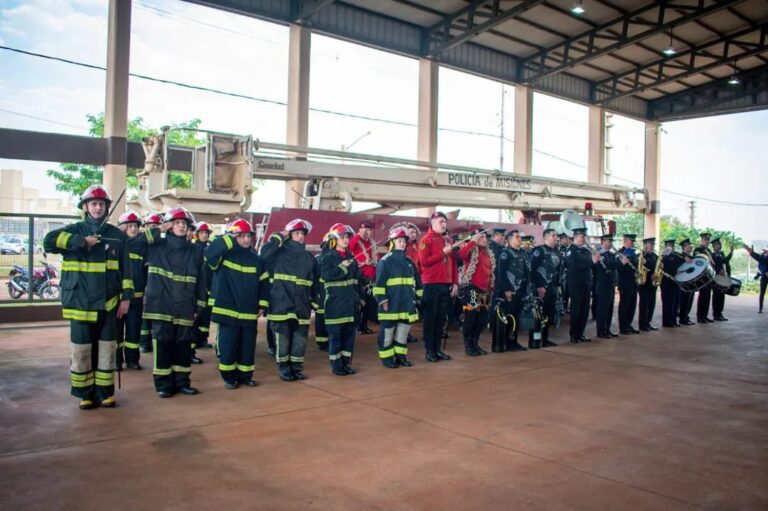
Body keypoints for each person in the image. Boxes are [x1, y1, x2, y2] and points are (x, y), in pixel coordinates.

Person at [43, 184, 133, 410]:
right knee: (82, 350)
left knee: (106, 350)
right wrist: (81, 242)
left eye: (101, 204)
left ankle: (105, 393)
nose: (97, 207)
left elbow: (127, 269)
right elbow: (48, 241)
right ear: (85, 207)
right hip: (80, 304)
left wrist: (126, 298)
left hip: (109, 303)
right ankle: (85, 394)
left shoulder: (116, 236)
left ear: (106, 207)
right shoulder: (74, 230)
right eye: (93, 203)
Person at [142, 207, 208, 398]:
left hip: (186, 306)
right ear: (169, 226)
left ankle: (182, 382)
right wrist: (158, 229)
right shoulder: (157, 246)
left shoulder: (195, 251)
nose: (181, 226)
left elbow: (202, 281)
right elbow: (133, 244)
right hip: (161, 306)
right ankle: (163, 384)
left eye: (184, 223)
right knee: (163, 346)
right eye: (177, 222)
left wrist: (199, 306)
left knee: (183, 346)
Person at [205, 218, 268, 389]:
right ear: (233, 237)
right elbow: (209, 253)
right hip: (228, 311)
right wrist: (228, 239)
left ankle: (246, 376)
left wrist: (262, 305)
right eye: (241, 236)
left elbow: (264, 283)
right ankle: (228, 377)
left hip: (248, 311)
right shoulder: (224, 256)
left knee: (247, 347)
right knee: (228, 346)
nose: (246, 239)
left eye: (248, 236)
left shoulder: (256, 259)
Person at [260, 219, 316, 381]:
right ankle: (284, 368)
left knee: (300, 340)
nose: (300, 237)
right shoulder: (278, 253)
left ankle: (296, 368)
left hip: (302, 304)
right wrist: (278, 237)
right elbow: (263, 255)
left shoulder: (309, 258)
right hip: (281, 303)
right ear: (289, 236)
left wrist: (314, 301)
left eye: (302, 234)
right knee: (283, 339)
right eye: (297, 233)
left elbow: (313, 282)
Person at [374, 226, 420, 368]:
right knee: (387, 333)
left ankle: (401, 357)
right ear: (392, 242)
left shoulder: (409, 262)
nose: (403, 243)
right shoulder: (385, 261)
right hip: (391, 304)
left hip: (406, 304)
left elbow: (417, 282)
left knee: (402, 332)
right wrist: (383, 300)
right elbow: (379, 284)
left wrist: (418, 298)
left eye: (404, 241)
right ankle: (387, 359)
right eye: (399, 240)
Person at [320, 223, 362, 376]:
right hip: (335, 304)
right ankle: (337, 366)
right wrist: (342, 267)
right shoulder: (327, 257)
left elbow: (357, 281)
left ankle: (346, 364)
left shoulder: (352, 257)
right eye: (342, 237)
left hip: (351, 304)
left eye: (347, 237)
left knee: (349, 338)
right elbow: (326, 275)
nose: (346, 240)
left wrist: (360, 299)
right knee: (336, 337)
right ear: (334, 239)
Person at [418, 211, 458, 362]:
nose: (443, 224)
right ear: (432, 222)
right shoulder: (426, 240)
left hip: (445, 284)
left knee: (441, 319)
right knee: (430, 319)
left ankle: (438, 349)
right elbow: (424, 262)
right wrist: (442, 252)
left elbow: (453, 263)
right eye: (441, 221)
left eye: (445, 222)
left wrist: (455, 282)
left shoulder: (447, 240)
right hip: (431, 285)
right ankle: (430, 351)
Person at [457, 227, 494, 357]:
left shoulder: (488, 253)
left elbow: (490, 271)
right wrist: (472, 242)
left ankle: (475, 344)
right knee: (471, 319)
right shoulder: (471, 249)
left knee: (481, 319)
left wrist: (491, 287)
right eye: (481, 237)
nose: (484, 239)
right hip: (472, 288)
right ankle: (468, 346)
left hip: (484, 290)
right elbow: (460, 255)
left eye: (485, 237)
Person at [116, 210, 145, 370]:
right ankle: (117, 361)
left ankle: (133, 360)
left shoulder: (142, 248)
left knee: (134, 331)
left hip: (137, 297)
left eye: (136, 226)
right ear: (123, 228)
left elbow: (147, 272)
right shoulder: (118, 245)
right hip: (118, 298)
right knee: (117, 332)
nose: (134, 229)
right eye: (130, 226)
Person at [493, 229, 529, 352]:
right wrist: (507, 289)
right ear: (510, 239)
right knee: (509, 317)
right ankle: (507, 343)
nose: (520, 239)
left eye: (520, 237)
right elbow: (501, 273)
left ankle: (514, 341)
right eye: (517, 237)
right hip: (509, 291)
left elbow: (526, 272)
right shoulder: (505, 253)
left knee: (516, 317)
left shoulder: (523, 253)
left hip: (520, 290)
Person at [528, 228, 561, 349]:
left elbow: (558, 271)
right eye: (553, 235)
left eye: (556, 235)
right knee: (538, 316)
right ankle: (535, 341)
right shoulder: (538, 251)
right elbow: (531, 270)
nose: (556, 237)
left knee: (548, 315)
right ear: (546, 237)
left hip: (552, 289)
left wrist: (558, 286)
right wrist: (538, 287)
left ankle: (545, 339)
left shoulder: (557, 251)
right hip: (541, 289)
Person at [567, 228, 600, 343]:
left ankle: (581, 333)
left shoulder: (586, 251)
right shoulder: (571, 250)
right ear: (575, 237)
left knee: (585, 310)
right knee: (576, 310)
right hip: (576, 284)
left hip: (586, 283)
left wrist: (596, 259)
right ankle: (574, 334)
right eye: (581, 237)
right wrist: (592, 262)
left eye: (584, 237)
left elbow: (591, 266)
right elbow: (576, 266)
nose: (584, 239)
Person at [138, 212, 162, 354]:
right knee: (144, 318)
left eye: (157, 227)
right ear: (145, 227)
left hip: (158, 286)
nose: (154, 229)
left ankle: (152, 341)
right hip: (143, 285)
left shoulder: (161, 245)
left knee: (156, 317)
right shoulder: (141, 243)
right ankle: (144, 343)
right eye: (152, 226)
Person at [349, 221, 377, 335]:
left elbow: (376, 258)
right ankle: (355, 326)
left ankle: (363, 326)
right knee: (359, 303)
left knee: (368, 304)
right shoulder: (356, 241)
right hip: (360, 276)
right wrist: (357, 236)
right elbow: (350, 247)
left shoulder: (372, 242)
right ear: (359, 230)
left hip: (371, 277)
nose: (365, 232)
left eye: (368, 230)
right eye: (363, 230)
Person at [193, 221, 214, 351]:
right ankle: (195, 339)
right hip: (199, 286)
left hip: (210, 286)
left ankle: (203, 339)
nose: (204, 235)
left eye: (206, 233)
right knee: (197, 315)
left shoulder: (211, 248)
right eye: (202, 232)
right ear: (197, 234)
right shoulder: (195, 248)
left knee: (206, 315)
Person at [594, 235, 619, 338]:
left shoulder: (611, 254)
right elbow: (611, 265)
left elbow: (614, 265)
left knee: (609, 308)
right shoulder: (600, 254)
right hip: (602, 284)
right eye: (609, 241)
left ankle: (607, 329)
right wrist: (620, 262)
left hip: (610, 284)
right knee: (602, 309)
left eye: (611, 241)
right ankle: (601, 331)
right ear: (603, 242)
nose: (611, 243)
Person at [617, 234, 640, 335]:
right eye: (631, 241)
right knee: (624, 305)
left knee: (632, 305)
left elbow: (635, 264)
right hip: (625, 283)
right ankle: (623, 327)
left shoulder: (633, 253)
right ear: (625, 241)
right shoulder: (620, 253)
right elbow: (619, 268)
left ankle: (629, 325)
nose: (633, 243)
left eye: (633, 241)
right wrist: (623, 262)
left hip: (633, 282)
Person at [312, 233, 332, 351]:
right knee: (321, 317)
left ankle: (323, 342)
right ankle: (323, 341)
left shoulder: (318, 259)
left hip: (324, 292)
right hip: (322, 292)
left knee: (323, 317)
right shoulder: (319, 259)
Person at [660, 239, 684, 327]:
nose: (672, 248)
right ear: (666, 247)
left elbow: (681, 262)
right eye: (669, 246)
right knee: (668, 303)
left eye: (673, 246)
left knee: (676, 302)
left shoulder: (676, 255)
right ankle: (667, 322)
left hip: (675, 282)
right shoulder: (663, 257)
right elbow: (665, 268)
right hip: (667, 282)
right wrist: (675, 271)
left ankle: (674, 320)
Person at [637, 237, 659, 331]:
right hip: (644, 283)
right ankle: (643, 324)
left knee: (651, 304)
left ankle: (648, 322)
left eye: (653, 244)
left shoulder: (654, 255)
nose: (652, 246)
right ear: (645, 245)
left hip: (652, 283)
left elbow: (657, 266)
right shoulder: (641, 255)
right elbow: (640, 268)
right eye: (651, 244)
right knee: (644, 304)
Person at [711, 238, 733, 321]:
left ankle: (720, 313)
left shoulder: (721, 254)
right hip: (717, 277)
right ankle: (716, 314)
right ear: (713, 246)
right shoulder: (713, 255)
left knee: (721, 296)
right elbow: (713, 266)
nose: (718, 246)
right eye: (716, 245)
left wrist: (729, 275)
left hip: (723, 277)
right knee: (716, 296)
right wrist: (731, 253)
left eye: (719, 244)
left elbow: (726, 263)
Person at [695, 232, 715, 323]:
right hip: (702, 276)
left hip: (709, 276)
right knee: (702, 296)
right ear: (702, 240)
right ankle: (700, 316)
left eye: (708, 240)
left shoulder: (709, 251)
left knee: (707, 296)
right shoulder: (698, 249)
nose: (707, 241)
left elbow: (712, 263)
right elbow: (697, 261)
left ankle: (705, 315)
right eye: (705, 240)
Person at [744, 245, 768, 313]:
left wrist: (751, 252)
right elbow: (761, 264)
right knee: (762, 293)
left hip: (764, 275)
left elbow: (761, 259)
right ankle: (760, 308)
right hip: (764, 276)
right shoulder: (763, 257)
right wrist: (760, 274)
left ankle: (760, 308)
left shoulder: (764, 258)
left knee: (762, 293)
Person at [678, 239, 696, 326]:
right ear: (684, 247)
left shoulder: (691, 257)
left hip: (691, 282)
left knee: (690, 300)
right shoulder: (680, 256)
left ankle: (686, 316)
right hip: (683, 282)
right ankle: (682, 318)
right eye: (689, 245)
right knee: (684, 301)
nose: (691, 247)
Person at [558, 233, 571, 313]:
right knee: (562, 292)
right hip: (561, 273)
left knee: (567, 292)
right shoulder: (558, 249)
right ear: (562, 239)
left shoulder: (568, 249)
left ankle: (565, 307)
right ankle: (561, 308)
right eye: (566, 239)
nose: (568, 241)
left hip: (567, 273)